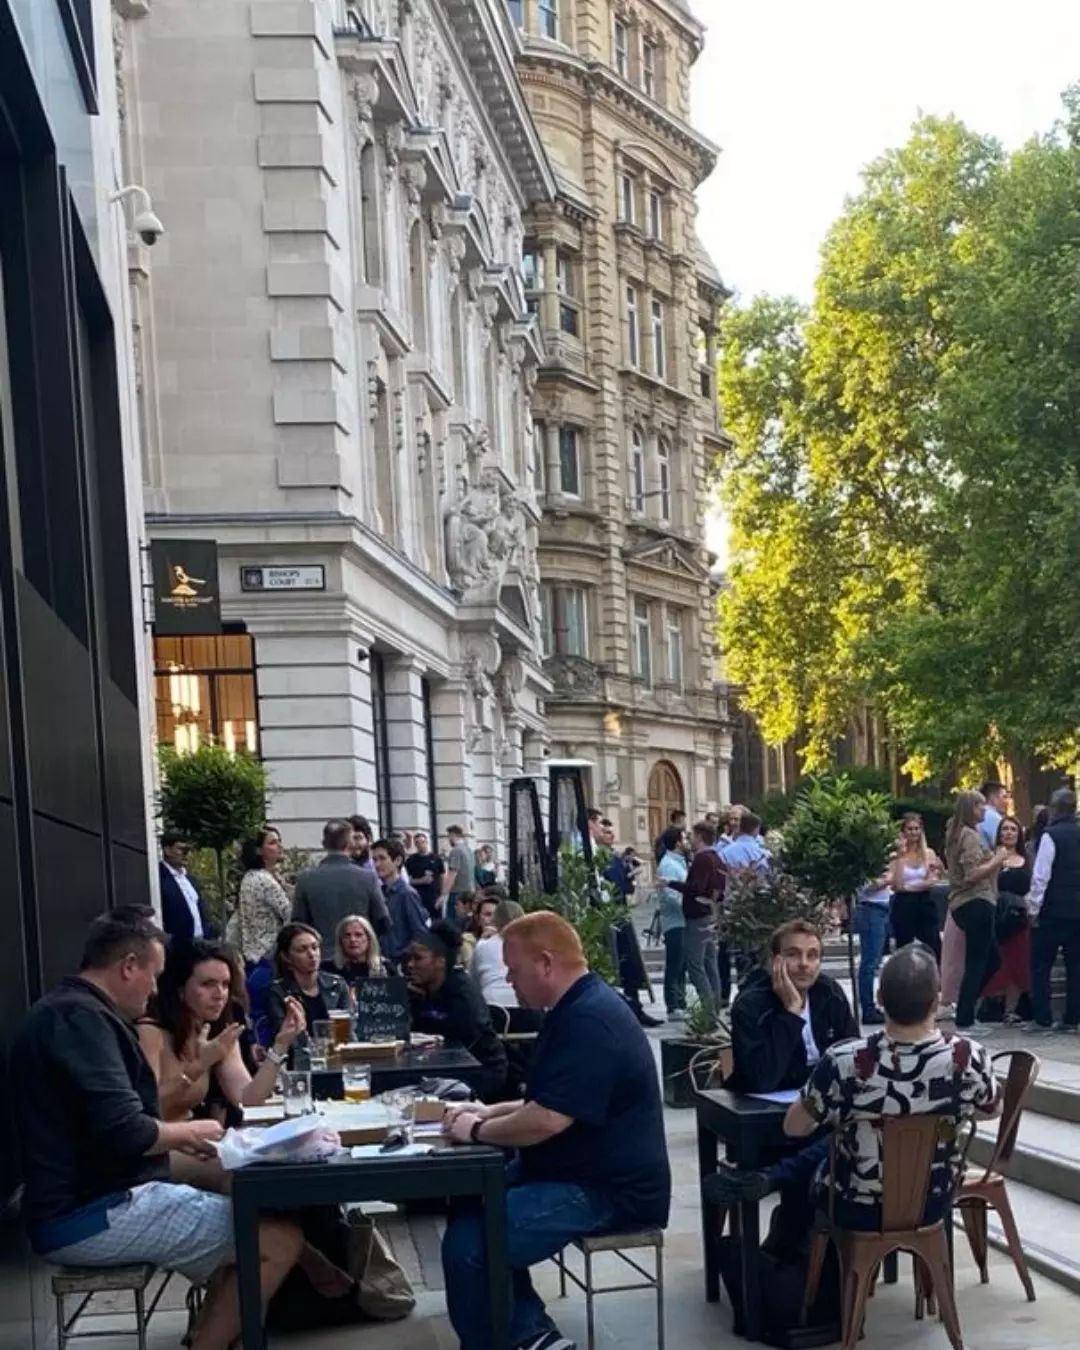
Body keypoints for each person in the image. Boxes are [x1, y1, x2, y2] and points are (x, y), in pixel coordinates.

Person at [12, 912, 302, 1349]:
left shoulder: (75, 1013)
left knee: (254, 1216)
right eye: (154, 975)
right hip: (89, 1212)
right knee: (278, 1241)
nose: (154, 989)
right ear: (129, 966)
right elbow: (128, 1130)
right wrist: (194, 1133)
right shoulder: (80, 1020)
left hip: (100, 1198)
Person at [440, 912, 671, 1350]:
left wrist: (478, 1130)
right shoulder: (576, 1008)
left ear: (545, 963)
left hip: (607, 1190)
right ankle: (532, 1336)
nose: (509, 980)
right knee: (470, 1204)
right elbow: (550, 1100)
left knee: (473, 1246)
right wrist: (486, 1110)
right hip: (573, 1173)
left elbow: (548, 1119)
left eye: (513, 969)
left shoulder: (590, 1020)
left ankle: (521, 1339)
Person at [781, 945, 1000, 1233]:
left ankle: (800, 1254)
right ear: (936, 1001)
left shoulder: (844, 1061)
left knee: (814, 1169)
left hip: (857, 1205)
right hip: (933, 1201)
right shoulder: (969, 1056)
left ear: (879, 998)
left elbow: (794, 1127)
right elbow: (992, 1110)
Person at [138, 939, 304, 1129]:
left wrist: (280, 1044)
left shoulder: (218, 1032)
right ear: (180, 989)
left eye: (225, 984)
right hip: (158, 1138)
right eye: (208, 984)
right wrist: (200, 1065)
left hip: (196, 1135)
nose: (219, 994)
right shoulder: (150, 1033)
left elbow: (247, 1099)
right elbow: (145, 1110)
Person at [728, 921, 858, 1094]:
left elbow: (853, 1055)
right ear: (774, 961)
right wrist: (791, 1015)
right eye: (793, 955)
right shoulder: (750, 1005)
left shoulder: (830, 993)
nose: (804, 963)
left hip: (823, 1096)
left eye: (812, 955)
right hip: (765, 1101)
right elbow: (761, 1080)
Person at [405, 923, 508, 1102]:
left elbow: (463, 1036)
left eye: (418, 958)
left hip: (479, 1071)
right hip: (440, 1067)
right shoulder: (421, 991)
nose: (410, 965)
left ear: (440, 961)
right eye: (410, 958)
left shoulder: (463, 994)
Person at [946, 790, 1008, 1032]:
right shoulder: (969, 836)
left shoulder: (957, 834)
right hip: (976, 901)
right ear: (969, 809)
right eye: (979, 806)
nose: (984, 809)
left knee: (992, 959)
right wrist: (998, 859)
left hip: (968, 903)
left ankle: (966, 1007)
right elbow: (971, 874)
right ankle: (965, 1018)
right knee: (978, 961)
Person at [1026, 787, 1080, 1034]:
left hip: (1052, 910)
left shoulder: (1050, 836)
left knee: (1041, 965)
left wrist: (1033, 908)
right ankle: (1073, 1018)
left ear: (1054, 808)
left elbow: (1041, 876)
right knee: (1075, 966)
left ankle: (1042, 1018)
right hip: (1077, 911)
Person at [292, 819, 389, 950]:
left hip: (322, 954)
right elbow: (383, 920)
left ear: (324, 843)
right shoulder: (368, 878)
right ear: (350, 844)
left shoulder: (305, 880)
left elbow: (298, 924)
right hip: (358, 953)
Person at [980, 816, 1032, 1024]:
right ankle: (991, 1005)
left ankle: (1011, 1008)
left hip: (1019, 918)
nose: (1009, 833)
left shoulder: (1027, 859)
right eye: (1005, 829)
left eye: (1013, 829)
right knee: (995, 960)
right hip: (996, 916)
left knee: (1018, 962)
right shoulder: (991, 857)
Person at [266, 923, 351, 1043]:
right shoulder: (278, 991)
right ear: (286, 956)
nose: (312, 954)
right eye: (302, 950)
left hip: (337, 1049)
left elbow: (349, 1030)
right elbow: (285, 1037)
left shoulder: (337, 984)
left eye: (315, 947)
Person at [227, 826, 291, 967]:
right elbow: (290, 915)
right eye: (273, 843)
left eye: (279, 841)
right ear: (259, 850)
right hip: (268, 954)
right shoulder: (264, 880)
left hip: (252, 953)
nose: (280, 846)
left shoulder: (250, 876)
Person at [680, 821, 727, 1016]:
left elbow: (696, 888)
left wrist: (671, 884)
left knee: (695, 964)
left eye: (692, 836)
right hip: (711, 914)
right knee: (710, 963)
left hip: (698, 915)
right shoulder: (717, 858)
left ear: (699, 837)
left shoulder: (702, 859)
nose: (689, 840)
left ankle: (708, 1013)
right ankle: (714, 1008)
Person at [889, 812, 944, 962]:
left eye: (916, 829)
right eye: (910, 829)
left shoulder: (929, 853)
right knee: (904, 946)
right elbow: (897, 885)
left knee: (934, 944)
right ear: (903, 832)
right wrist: (900, 856)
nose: (913, 832)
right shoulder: (896, 856)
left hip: (924, 901)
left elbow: (932, 880)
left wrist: (911, 887)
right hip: (903, 903)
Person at [373, 836, 430, 965]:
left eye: (382, 858)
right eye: (375, 860)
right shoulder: (380, 892)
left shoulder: (407, 894)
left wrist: (404, 956)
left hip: (399, 962)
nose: (377, 864)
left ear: (397, 860)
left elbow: (420, 933)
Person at [853, 865, 893, 1024]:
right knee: (869, 963)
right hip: (871, 909)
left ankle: (870, 1006)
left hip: (881, 909)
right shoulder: (865, 863)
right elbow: (866, 888)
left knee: (875, 961)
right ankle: (867, 1009)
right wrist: (887, 879)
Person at [158, 832, 216, 943]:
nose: (186, 854)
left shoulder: (190, 879)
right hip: (177, 946)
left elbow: (201, 911)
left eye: (189, 850)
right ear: (167, 850)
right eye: (182, 850)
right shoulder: (159, 878)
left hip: (200, 943)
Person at [655, 826, 688, 1020]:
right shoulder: (668, 864)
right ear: (677, 842)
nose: (687, 842)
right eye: (684, 839)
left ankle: (681, 1001)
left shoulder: (678, 862)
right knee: (675, 963)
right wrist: (687, 905)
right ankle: (673, 1004)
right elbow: (670, 895)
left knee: (681, 963)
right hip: (675, 920)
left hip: (682, 920)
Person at [470, 899, 525, 1009]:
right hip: (524, 1003)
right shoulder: (530, 944)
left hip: (492, 1003)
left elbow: (473, 981)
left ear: (495, 921)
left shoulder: (483, 945)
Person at [322, 913, 385, 993]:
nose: (352, 940)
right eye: (347, 935)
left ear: (369, 939)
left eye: (358, 935)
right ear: (341, 941)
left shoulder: (384, 967)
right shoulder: (327, 969)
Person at [405, 829, 446, 918]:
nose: (421, 845)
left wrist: (442, 896)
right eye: (417, 843)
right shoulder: (411, 860)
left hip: (434, 898)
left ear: (427, 842)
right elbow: (406, 879)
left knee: (436, 921)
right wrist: (420, 881)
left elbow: (443, 877)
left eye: (422, 842)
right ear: (415, 845)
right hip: (418, 898)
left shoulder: (437, 859)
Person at [442, 824, 478, 922]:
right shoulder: (469, 851)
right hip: (470, 892)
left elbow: (452, 873)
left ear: (453, 835)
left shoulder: (456, 851)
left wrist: (444, 894)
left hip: (457, 893)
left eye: (449, 836)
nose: (448, 840)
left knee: (452, 922)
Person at [461, 893, 499, 966]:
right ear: (478, 919)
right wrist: (483, 942)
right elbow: (471, 967)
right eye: (488, 914)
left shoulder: (507, 941)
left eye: (497, 915)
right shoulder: (467, 941)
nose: (493, 919)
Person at [979, 781, 1009, 850]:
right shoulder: (993, 817)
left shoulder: (980, 815)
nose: (1007, 802)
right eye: (1004, 797)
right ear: (994, 799)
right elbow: (1003, 846)